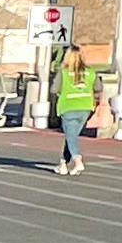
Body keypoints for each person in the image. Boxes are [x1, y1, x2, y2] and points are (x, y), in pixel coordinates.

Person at [50, 38, 96, 175]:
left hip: (68, 106)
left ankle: (77, 160)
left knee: (71, 136)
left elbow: (54, 89)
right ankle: (63, 164)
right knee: (71, 135)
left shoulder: (64, 72)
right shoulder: (90, 72)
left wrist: (61, 91)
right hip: (85, 107)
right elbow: (98, 86)